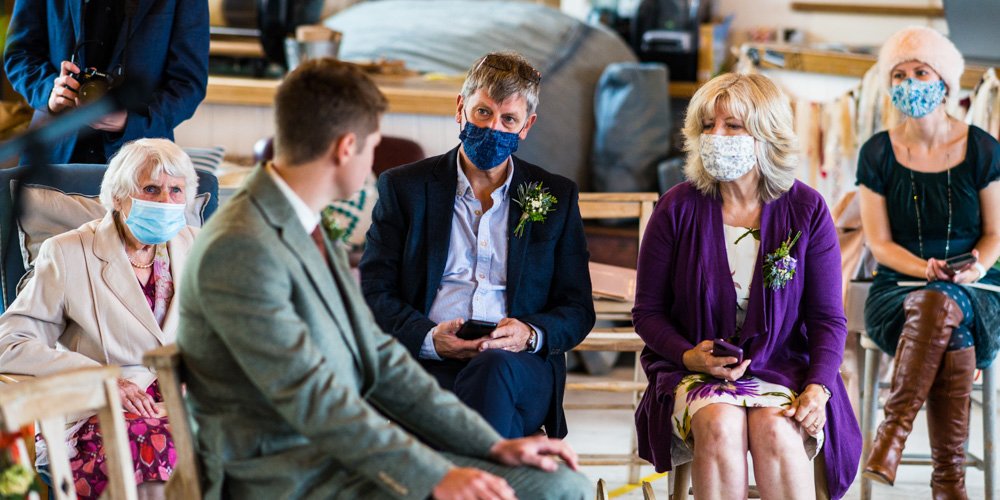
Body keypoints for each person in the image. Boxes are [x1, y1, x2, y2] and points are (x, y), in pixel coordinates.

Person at [176, 58, 591, 499]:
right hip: (288, 474)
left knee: (561, 486)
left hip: (338, 456)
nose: (373, 161)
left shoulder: (307, 229)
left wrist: (491, 444)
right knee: (549, 493)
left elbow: (380, 358)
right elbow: (315, 399)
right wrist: (433, 474)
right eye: (373, 145)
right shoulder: (241, 247)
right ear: (346, 147)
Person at [631, 73, 862, 500]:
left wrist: (817, 388)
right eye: (707, 125)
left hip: (785, 365)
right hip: (692, 370)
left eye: (732, 126)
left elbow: (827, 318)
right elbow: (646, 312)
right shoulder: (676, 207)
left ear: (766, 134)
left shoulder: (807, 208)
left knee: (776, 428)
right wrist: (688, 355)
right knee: (719, 421)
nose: (716, 136)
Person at [359, 51, 595, 440]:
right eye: (483, 113)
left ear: (526, 126)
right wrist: (429, 339)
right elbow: (374, 290)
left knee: (492, 371)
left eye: (509, 120)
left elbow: (576, 307)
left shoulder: (556, 195)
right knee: (475, 404)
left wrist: (529, 334)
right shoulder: (405, 187)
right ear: (460, 108)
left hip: (518, 367)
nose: (493, 128)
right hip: (427, 360)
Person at [0, 138, 201, 499]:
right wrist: (102, 379)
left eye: (176, 191)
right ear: (120, 196)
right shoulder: (67, 252)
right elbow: (9, 343)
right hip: (99, 410)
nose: (165, 202)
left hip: (182, 403)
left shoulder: (198, 245)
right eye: (151, 189)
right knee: (155, 447)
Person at [858, 26, 1000, 499]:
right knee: (940, 311)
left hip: (978, 288)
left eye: (921, 71)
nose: (909, 82)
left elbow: (996, 233)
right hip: (898, 291)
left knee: (945, 307)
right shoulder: (876, 153)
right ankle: (949, 483)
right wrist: (925, 270)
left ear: (944, 82)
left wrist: (976, 266)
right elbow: (878, 243)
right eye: (898, 74)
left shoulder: (982, 148)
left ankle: (891, 436)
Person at [3, 0, 209, 164]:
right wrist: (49, 91)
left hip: (140, 164)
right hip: (53, 154)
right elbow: (18, 54)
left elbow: (188, 83)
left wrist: (132, 122)